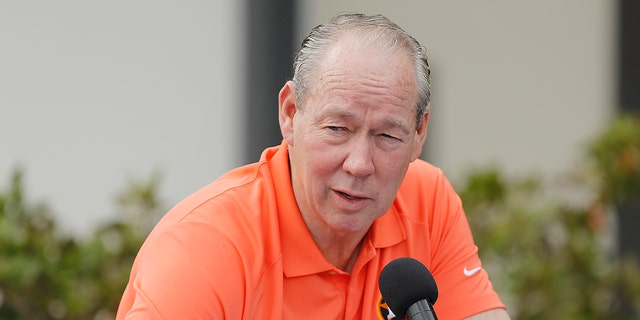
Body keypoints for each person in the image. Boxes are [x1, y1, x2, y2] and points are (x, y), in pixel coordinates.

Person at [116, 12, 509, 319]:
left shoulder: (426, 200)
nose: (359, 164)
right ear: (290, 114)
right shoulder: (206, 248)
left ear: (419, 134)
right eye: (338, 128)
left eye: (387, 136)